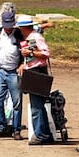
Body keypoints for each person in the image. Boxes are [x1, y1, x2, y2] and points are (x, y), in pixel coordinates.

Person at [0, 3, 23, 139]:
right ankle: (1, 127)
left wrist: (22, 64)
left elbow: (25, 52)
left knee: (17, 102)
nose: (8, 28)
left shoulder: (19, 35)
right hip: (1, 72)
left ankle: (16, 130)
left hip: (14, 72)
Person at [17, 15, 54, 145]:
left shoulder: (35, 37)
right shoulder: (31, 38)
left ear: (23, 27)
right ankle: (44, 133)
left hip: (37, 72)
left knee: (36, 106)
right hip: (33, 71)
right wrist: (25, 64)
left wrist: (30, 53)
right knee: (37, 105)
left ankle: (41, 134)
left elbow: (46, 53)